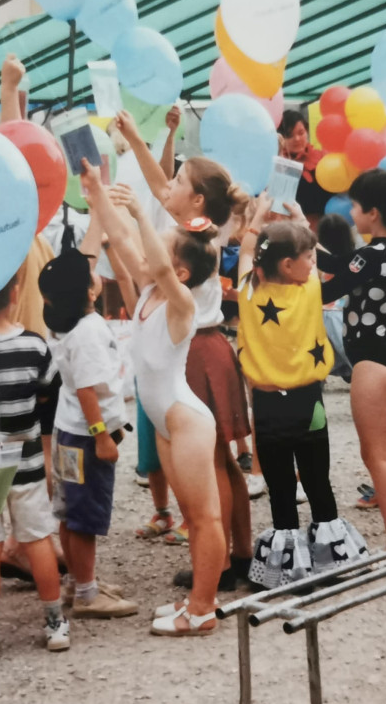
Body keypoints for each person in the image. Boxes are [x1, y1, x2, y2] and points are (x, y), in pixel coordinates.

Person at [112, 110, 254, 595]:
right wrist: (134, 139)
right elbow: (161, 188)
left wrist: (135, 143)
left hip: (196, 352)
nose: (166, 185)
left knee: (211, 465)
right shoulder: (205, 224)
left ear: (196, 200)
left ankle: (219, 563)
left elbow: (158, 191)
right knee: (224, 461)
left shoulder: (195, 232)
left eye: (178, 180)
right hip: (213, 347)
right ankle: (239, 552)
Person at [81, 163, 225, 635]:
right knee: (191, 517)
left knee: (204, 519)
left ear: (180, 271)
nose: (150, 248)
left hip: (186, 420)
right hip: (166, 419)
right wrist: (98, 193)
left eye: (162, 244)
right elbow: (124, 242)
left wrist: (144, 211)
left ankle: (203, 608)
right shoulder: (147, 295)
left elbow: (157, 262)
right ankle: (196, 601)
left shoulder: (183, 303)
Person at [237, 208, 369, 585]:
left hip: (266, 405)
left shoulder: (250, 289)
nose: (314, 263)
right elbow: (339, 269)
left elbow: (247, 250)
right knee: (316, 478)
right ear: (289, 264)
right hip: (309, 400)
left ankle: (287, 569)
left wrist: (256, 220)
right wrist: (302, 221)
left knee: (280, 485)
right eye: (309, 257)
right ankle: (333, 559)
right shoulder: (311, 290)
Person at [0, 276, 71, 661]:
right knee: (37, 538)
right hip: (29, 459)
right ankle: (55, 623)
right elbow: (52, 395)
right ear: (16, 294)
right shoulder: (35, 344)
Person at [40, 228, 141, 620]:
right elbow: (86, 389)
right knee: (83, 518)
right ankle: (86, 592)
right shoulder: (89, 333)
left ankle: (79, 581)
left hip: (69, 433)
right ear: (91, 291)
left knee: (69, 513)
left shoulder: (67, 325)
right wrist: (102, 436)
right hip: (86, 436)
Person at [319, 170, 386, 549]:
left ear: (372, 213)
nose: (353, 213)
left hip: (371, 360)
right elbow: (342, 264)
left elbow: (332, 285)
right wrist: (309, 244)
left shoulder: (369, 253)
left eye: (356, 206)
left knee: (377, 457)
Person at [316, 214, 357, 384]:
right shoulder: (354, 261)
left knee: (322, 353)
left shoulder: (317, 262)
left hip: (322, 316)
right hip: (344, 314)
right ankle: (353, 371)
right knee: (350, 353)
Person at [276, 107, 330, 221]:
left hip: (328, 227)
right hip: (296, 230)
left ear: (307, 131)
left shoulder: (323, 158)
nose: (297, 139)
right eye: (289, 135)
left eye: (301, 133)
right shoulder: (279, 167)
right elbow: (279, 209)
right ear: (281, 138)